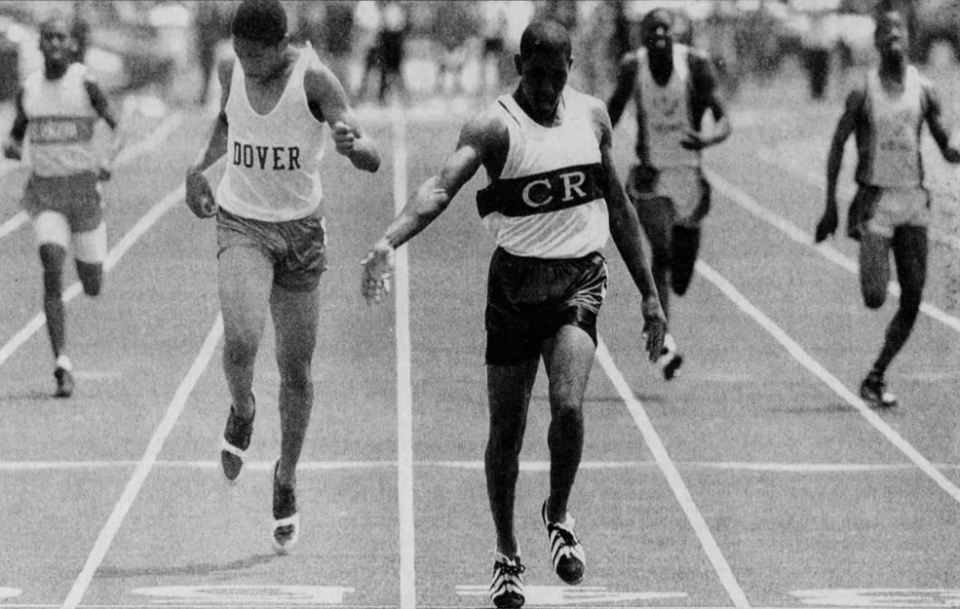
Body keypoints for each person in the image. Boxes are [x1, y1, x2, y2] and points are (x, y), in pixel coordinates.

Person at [361, 20, 666, 609]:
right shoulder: (494, 126)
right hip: (514, 288)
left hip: (579, 278)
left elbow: (620, 208)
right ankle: (506, 553)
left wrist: (650, 295)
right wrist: (387, 241)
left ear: (571, 68)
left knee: (569, 407)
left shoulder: (592, 117)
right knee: (507, 432)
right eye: (540, 74)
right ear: (519, 66)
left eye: (560, 74)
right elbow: (440, 187)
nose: (550, 86)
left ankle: (557, 510)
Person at [184, 0, 381, 553]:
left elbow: (371, 155)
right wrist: (201, 168)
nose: (245, 65)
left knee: (295, 370)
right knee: (242, 337)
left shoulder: (315, 80)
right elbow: (227, 122)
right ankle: (242, 409)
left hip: (300, 234)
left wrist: (354, 147)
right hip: (242, 222)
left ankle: (286, 477)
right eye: (239, 53)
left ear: (281, 45)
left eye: (255, 56)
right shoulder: (230, 70)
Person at [814, 7, 960, 408]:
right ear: (877, 43)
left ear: (909, 40)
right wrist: (829, 205)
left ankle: (876, 375)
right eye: (887, 33)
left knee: (913, 297)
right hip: (876, 202)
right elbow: (837, 144)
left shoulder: (925, 89)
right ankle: (876, 371)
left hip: (912, 200)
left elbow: (945, 143)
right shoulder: (863, 91)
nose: (894, 39)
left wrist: (954, 151)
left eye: (900, 32)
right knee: (875, 296)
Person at [606, 7, 731, 381]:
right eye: (652, 32)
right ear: (643, 38)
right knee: (660, 253)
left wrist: (707, 137)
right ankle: (664, 343)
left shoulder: (696, 64)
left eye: (666, 31)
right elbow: (610, 116)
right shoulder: (633, 67)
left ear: (675, 34)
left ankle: (665, 323)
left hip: (688, 177)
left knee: (680, 278)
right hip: (651, 176)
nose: (660, 37)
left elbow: (724, 119)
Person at [3, 17, 121, 398]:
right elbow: (18, 131)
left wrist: (106, 161)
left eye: (61, 38)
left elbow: (115, 124)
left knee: (92, 284)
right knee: (51, 266)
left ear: (71, 45)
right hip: (47, 194)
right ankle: (62, 364)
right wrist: (13, 146)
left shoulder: (85, 84)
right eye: (48, 38)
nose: (54, 44)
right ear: (40, 45)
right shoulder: (30, 89)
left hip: (84, 193)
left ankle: (90, 267)